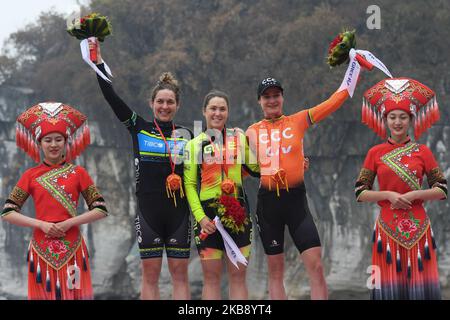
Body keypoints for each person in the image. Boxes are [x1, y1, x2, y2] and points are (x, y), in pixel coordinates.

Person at [88, 40, 193, 300]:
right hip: (148, 215)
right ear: (152, 103)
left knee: (180, 277)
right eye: (160, 101)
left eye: (170, 102)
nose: (165, 106)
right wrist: (98, 62)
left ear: (177, 105)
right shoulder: (139, 127)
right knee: (150, 278)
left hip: (179, 215)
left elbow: (201, 174)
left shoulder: (188, 135)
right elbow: (111, 98)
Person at [246, 75, 362, 300]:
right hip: (268, 206)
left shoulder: (298, 120)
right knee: (275, 271)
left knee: (316, 266)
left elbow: (332, 103)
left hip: (297, 203)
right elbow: (245, 168)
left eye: (276, 95)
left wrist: (353, 70)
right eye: (266, 96)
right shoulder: (251, 132)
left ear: (282, 97)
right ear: (259, 101)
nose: (272, 100)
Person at [1, 102, 108, 300]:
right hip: (41, 250)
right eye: (47, 140)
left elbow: (100, 209)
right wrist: (40, 224)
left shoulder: (79, 173)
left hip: (73, 249)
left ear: (66, 142)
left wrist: (68, 223)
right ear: (39, 144)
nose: (53, 144)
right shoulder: (30, 175)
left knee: (73, 295)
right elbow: (8, 212)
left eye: (58, 139)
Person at [355, 77, 447, 299]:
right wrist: (388, 195)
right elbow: (360, 192)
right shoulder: (374, 153)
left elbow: (442, 189)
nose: (397, 122)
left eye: (403, 117)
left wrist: (416, 194)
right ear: (385, 120)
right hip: (386, 230)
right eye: (393, 117)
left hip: (419, 230)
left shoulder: (423, 152)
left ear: (411, 120)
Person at [183, 90, 259, 299]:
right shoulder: (193, 145)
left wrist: (254, 145)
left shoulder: (239, 138)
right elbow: (189, 185)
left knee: (238, 275)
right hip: (208, 217)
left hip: (238, 212)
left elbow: (258, 169)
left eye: (222, 109)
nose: (217, 113)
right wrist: (201, 217)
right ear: (204, 112)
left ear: (228, 112)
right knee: (211, 277)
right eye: (213, 109)